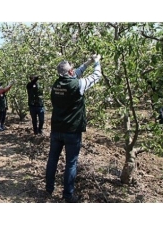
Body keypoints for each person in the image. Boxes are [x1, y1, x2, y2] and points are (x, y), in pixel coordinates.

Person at [45, 54, 102, 203]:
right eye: (72, 70)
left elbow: (73, 74)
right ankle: (68, 195)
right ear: (70, 72)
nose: (74, 72)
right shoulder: (79, 85)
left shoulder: (56, 84)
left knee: (52, 159)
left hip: (56, 129)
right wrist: (96, 63)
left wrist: (87, 62)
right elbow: (97, 75)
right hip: (72, 131)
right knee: (71, 163)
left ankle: (49, 188)